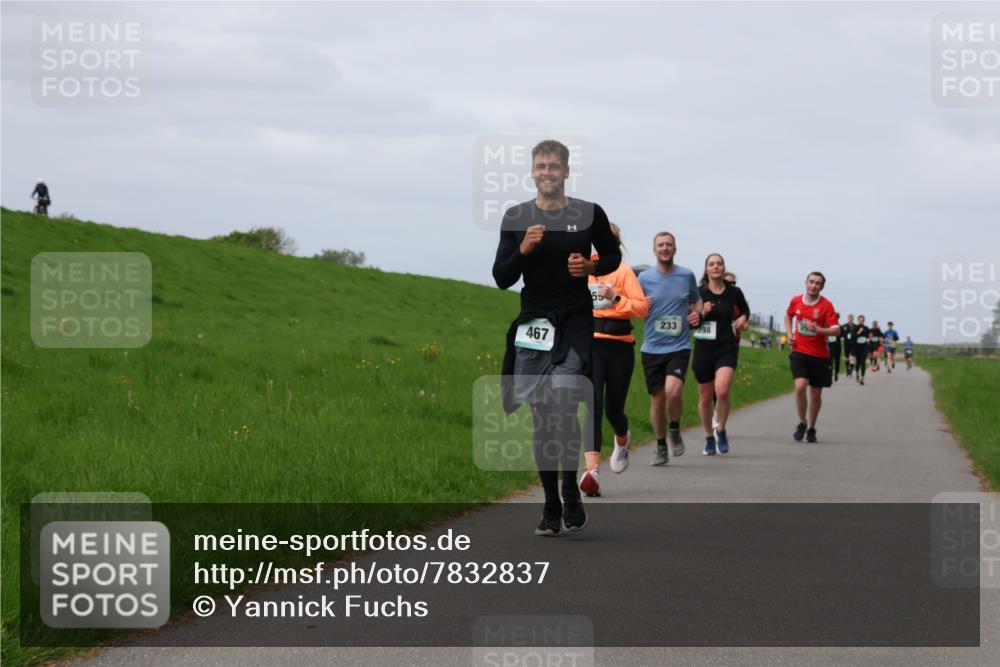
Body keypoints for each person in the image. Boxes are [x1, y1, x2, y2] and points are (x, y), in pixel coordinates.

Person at [493, 139, 621, 536]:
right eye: (540, 166)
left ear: (566, 172)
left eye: (554, 166)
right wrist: (525, 249)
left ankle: (571, 487)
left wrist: (592, 266)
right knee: (542, 417)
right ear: (532, 172)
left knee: (563, 405)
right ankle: (551, 503)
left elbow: (613, 256)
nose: (547, 172)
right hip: (534, 322)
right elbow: (502, 277)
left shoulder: (588, 213)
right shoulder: (517, 217)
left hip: (575, 322)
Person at [578, 224, 648, 497]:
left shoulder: (623, 271)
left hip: (620, 347)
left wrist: (615, 297)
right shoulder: (582, 270)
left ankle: (622, 438)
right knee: (592, 403)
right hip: (591, 345)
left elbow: (641, 308)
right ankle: (592, 471)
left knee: (613, 409)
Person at [638, 232, 702, 466]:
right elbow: (632, 305)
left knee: (673, 392)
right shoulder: (643, 278)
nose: (665, 248)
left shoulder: (686, 275)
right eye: (660, 245)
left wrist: (698, 313)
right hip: (652, 348)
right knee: (657, 400)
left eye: (669, 245)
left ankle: (674, 428)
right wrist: (640, 305)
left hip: (679, 346)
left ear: (675, 249)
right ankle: (661, 445)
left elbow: (697, 300)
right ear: (654, 250)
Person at [694, 254, 749, 455]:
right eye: (712, 264)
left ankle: (722, 429)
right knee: (705, 398)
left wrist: (743, 318)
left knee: (723, 391)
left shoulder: (734, 292)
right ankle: (709, 436)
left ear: (723, 268)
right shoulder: (698, 293)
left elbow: (745, 310)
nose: (716, 267)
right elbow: (690, 323)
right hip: (703, 349)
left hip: (726, 346)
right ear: (706, 269)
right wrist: (702, 313)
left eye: (719, 264)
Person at [785, 271, 840, 442]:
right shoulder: (796, 300)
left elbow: (837, 330)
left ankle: (812, 428)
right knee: (800, 386)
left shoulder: (826, 305)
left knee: (816, 394)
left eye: (817, 283)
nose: (814, 286)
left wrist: (818, 330)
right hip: (799, 351)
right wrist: (789, 333)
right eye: (811, 282)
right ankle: (802, 422)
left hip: (819, 354)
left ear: (822, 287)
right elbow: (788, 315)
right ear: (806, 282)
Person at [852, 315, 871, 386]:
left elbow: (868, 337)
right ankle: (857, 373)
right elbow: (853, 337)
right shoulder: (855, 328)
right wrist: (859, 332)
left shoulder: (866, 328)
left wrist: (870, 338)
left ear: (864, 321)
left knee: (863, 362)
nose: (861, 321)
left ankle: (862, 378)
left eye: (862, 320)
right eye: (860, 320)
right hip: (857, 347)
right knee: (858, 362)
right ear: (858, 320)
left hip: (864, 347)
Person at [827, 312, 843, 382]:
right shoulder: (827, 326)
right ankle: (830, 376)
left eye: (836, 317)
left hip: (837, 346)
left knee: (837, 361)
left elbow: (843, 335)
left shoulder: (840, 327)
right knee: (830, 361)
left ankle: (836, 373)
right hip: (829, 346)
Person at [841, 314, 856, 378]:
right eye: (849, 318)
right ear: (848, 319)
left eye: (852, 318)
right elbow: (840, 334)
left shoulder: (855, 326)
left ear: (853, 319)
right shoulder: (844, 326)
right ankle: (847, 369)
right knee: (847, 358)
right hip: (846, 344)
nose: (850, 319)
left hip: (853, 344)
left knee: (852, 358)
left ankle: (851, 371)